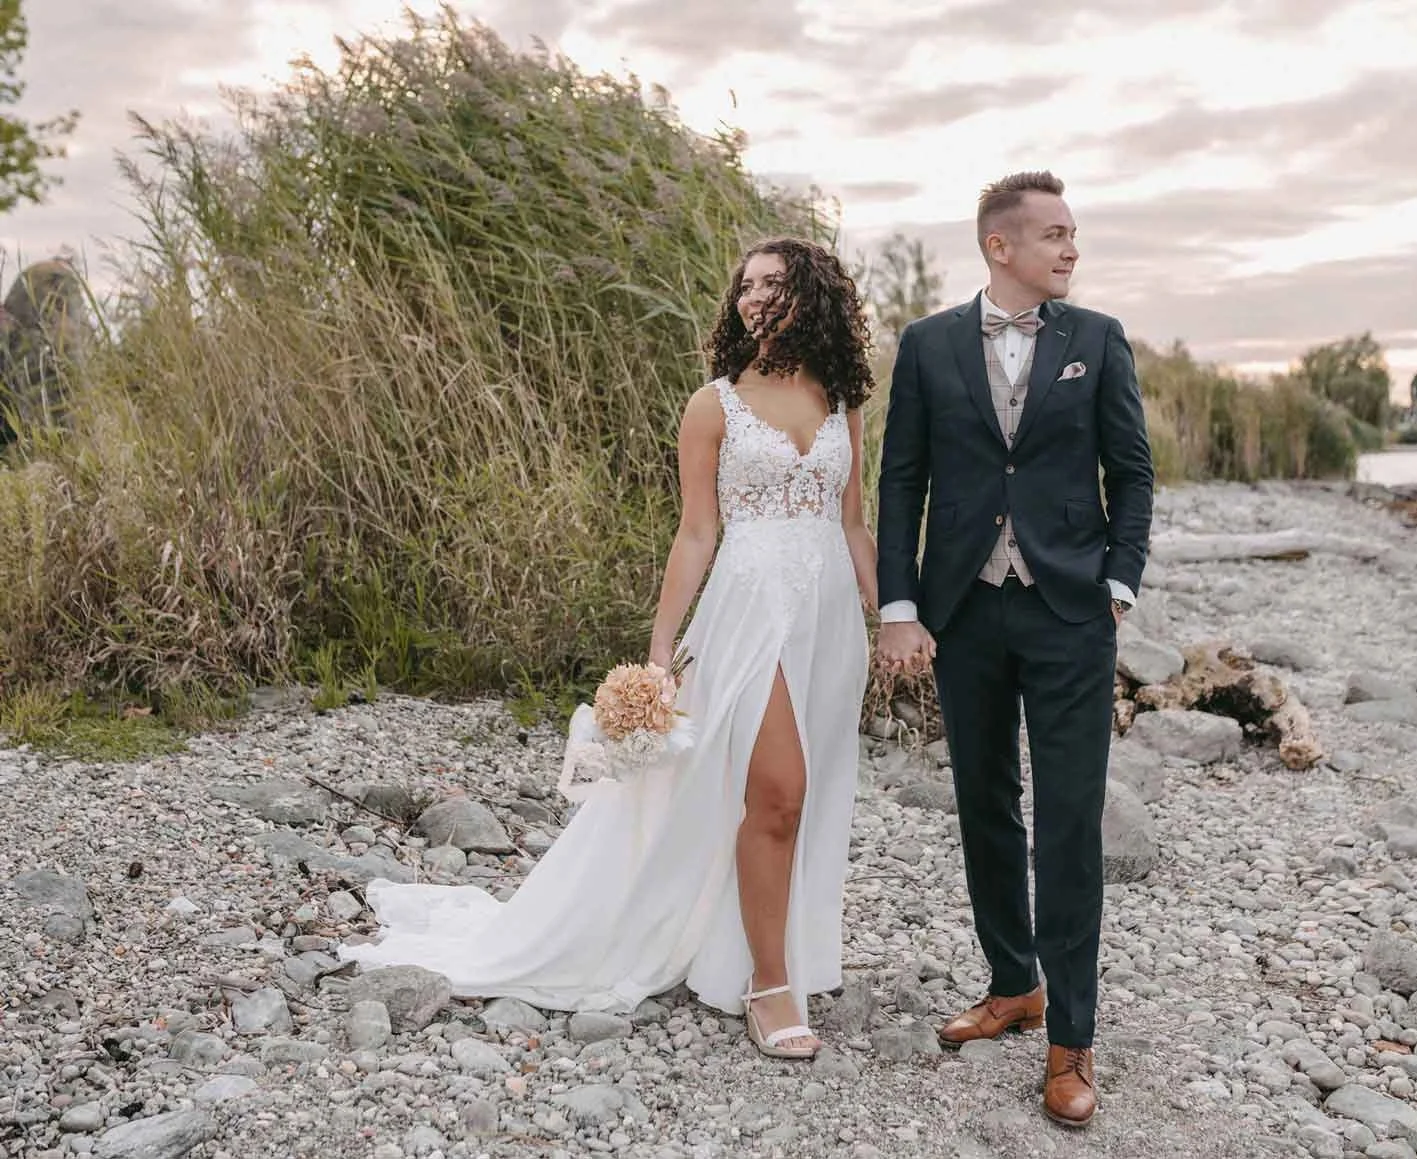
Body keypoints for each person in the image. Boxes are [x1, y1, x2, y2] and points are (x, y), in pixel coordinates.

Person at [341, 237, 879, 1061]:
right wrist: (660, 651)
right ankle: (769, 985)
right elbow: (697, 531)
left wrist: (896, 617)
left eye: (774, 283)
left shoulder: (839, 399)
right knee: (777, 789)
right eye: (745, 286)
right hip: (749, 610)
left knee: (806, 795)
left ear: (813, 296)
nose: (753, 298)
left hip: (829, 615)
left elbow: (851, 523)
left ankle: (757, 945)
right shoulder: (715, 406)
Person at [874, 170, 1154, 1125]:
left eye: (1075, 235)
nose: (1072, 249)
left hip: (1070, 612)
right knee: (983, 801)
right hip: (965, 611)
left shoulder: (1100, 340)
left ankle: (1071, 1042)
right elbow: (900, 479)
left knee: (1069, 822)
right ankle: (1012, 982)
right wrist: (900, 604)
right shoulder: (927, 345)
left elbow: (1133, 473)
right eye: (1055, 235)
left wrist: (1118, 582)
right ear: (1002, 246)